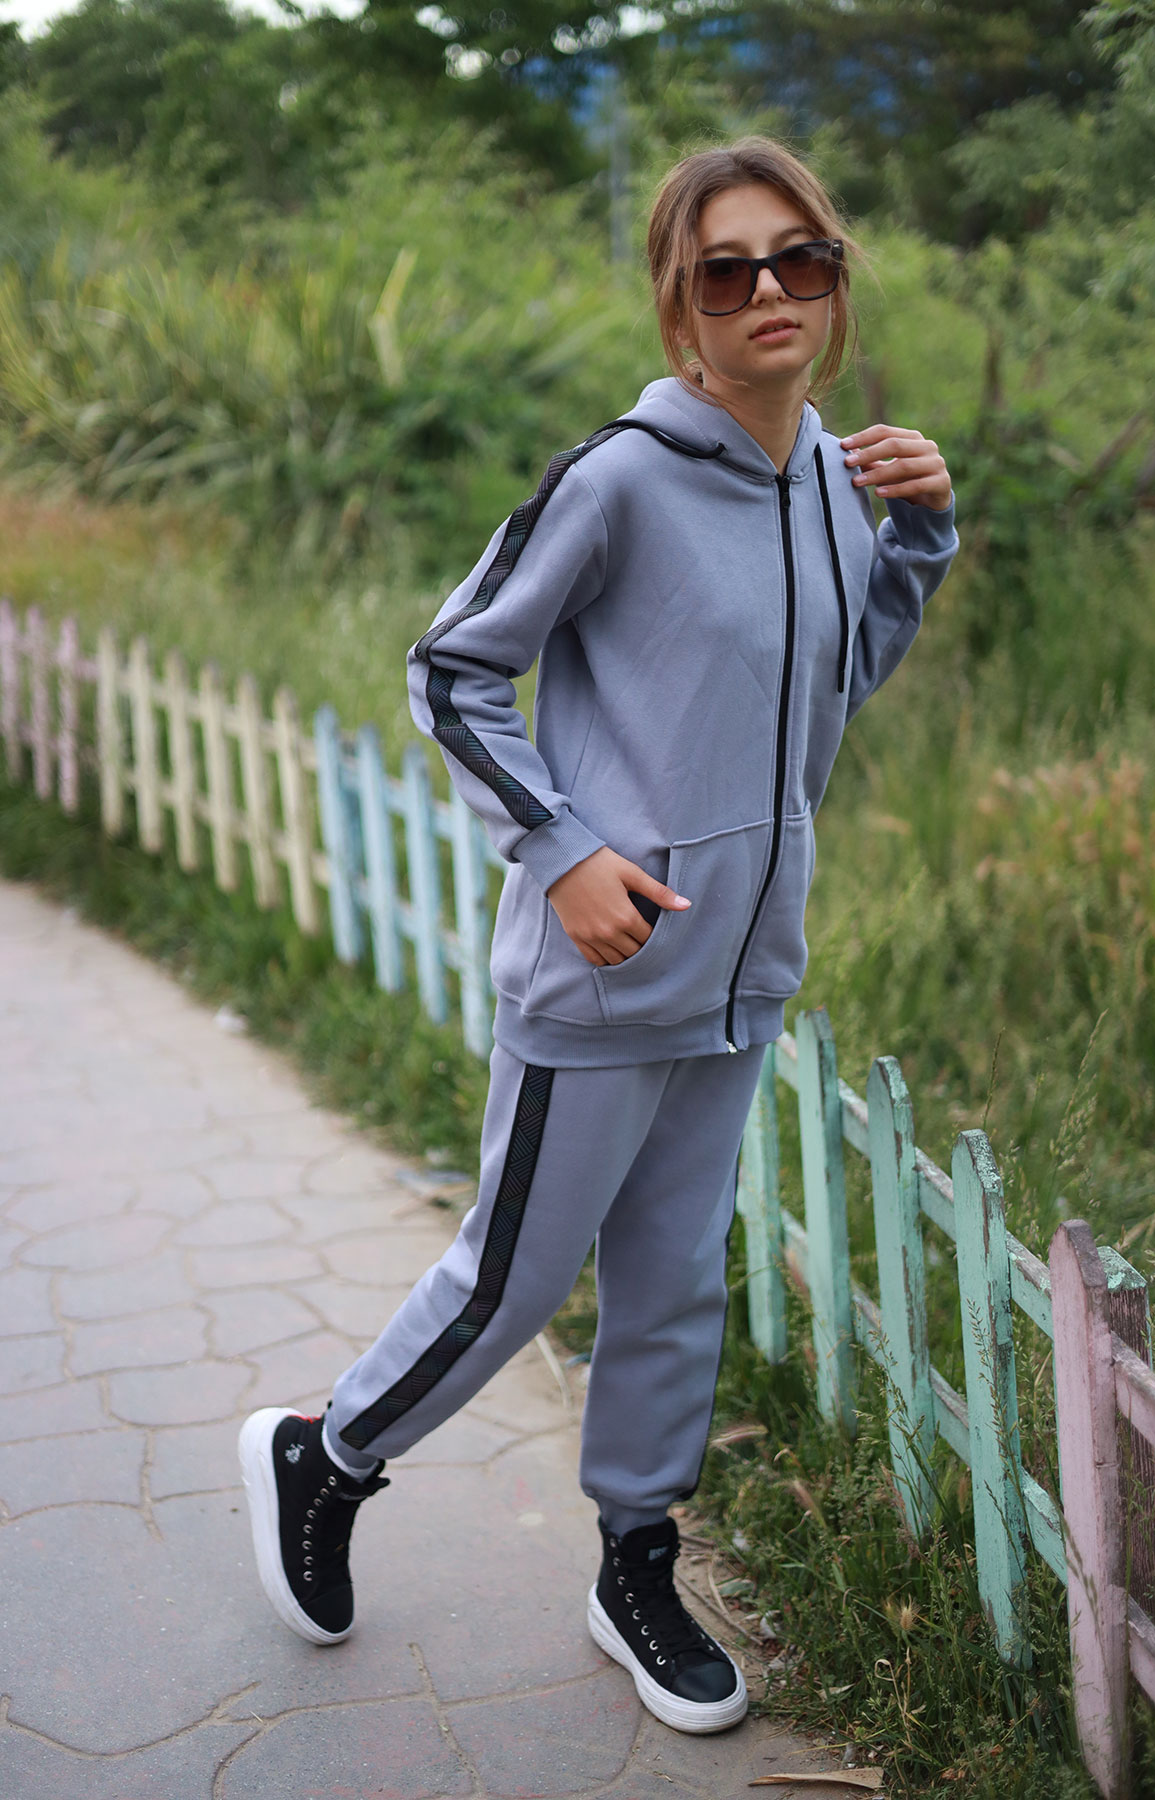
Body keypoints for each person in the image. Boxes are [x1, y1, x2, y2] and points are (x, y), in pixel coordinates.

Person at [238, 135, 957, 1737]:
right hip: (605, 969)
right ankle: (325, 1455)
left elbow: (829, 689)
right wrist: (563, 854)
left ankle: (637, 1565)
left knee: (674, 1287)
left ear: (836, 282)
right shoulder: (620, 478)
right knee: (515, 1278)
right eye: (727, 270)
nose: (770, 291)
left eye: (801, 258)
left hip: (741, 972)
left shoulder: (831, 481)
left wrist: (917, 536)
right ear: (680, 308)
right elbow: (450, 669)